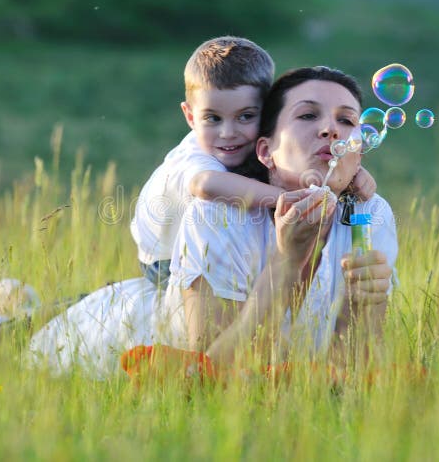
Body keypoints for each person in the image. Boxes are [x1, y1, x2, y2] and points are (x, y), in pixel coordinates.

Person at [28, 66, 396, 379]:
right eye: (307, 115)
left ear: (359, 151)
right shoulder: (217, 214)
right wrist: (285, 262)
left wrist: (364, 307)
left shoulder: (370, 216)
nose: (330, 131)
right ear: (266, 151)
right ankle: (16, 305)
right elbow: (211, 377)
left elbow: (351, 378)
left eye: (346, 120)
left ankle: (18, 301)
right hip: (94, 345)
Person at [130, 36, 377, 289]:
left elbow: (326, 161)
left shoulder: (248, 144)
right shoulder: (193, 156)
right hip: (162, 260)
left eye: (246, 116)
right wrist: (286, 197)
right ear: (191, 116)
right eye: (213, 118)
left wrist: (351, 175)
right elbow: (206, 185)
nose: (228, 132)